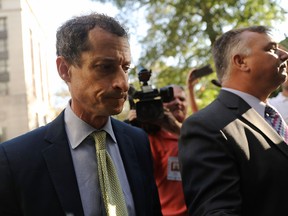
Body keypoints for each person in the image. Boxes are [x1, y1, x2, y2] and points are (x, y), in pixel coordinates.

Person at [0, 13, 162, 216]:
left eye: (125, 68)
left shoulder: (138, 142)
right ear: (65, 69)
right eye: (105, 67)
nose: (123, 83)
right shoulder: (15, 160)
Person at [179, 25, 288, 216]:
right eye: (272, 49)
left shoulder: (271, 116)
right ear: (241, 62)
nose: (284, 54)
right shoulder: (206, 126)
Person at [126, 84, 194, 216]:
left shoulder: (198, 130)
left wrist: (175, 128)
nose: (177, 103)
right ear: (160, 104)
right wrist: (133, 132)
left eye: (181, 99)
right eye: (172, 99)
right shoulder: (150, 138)